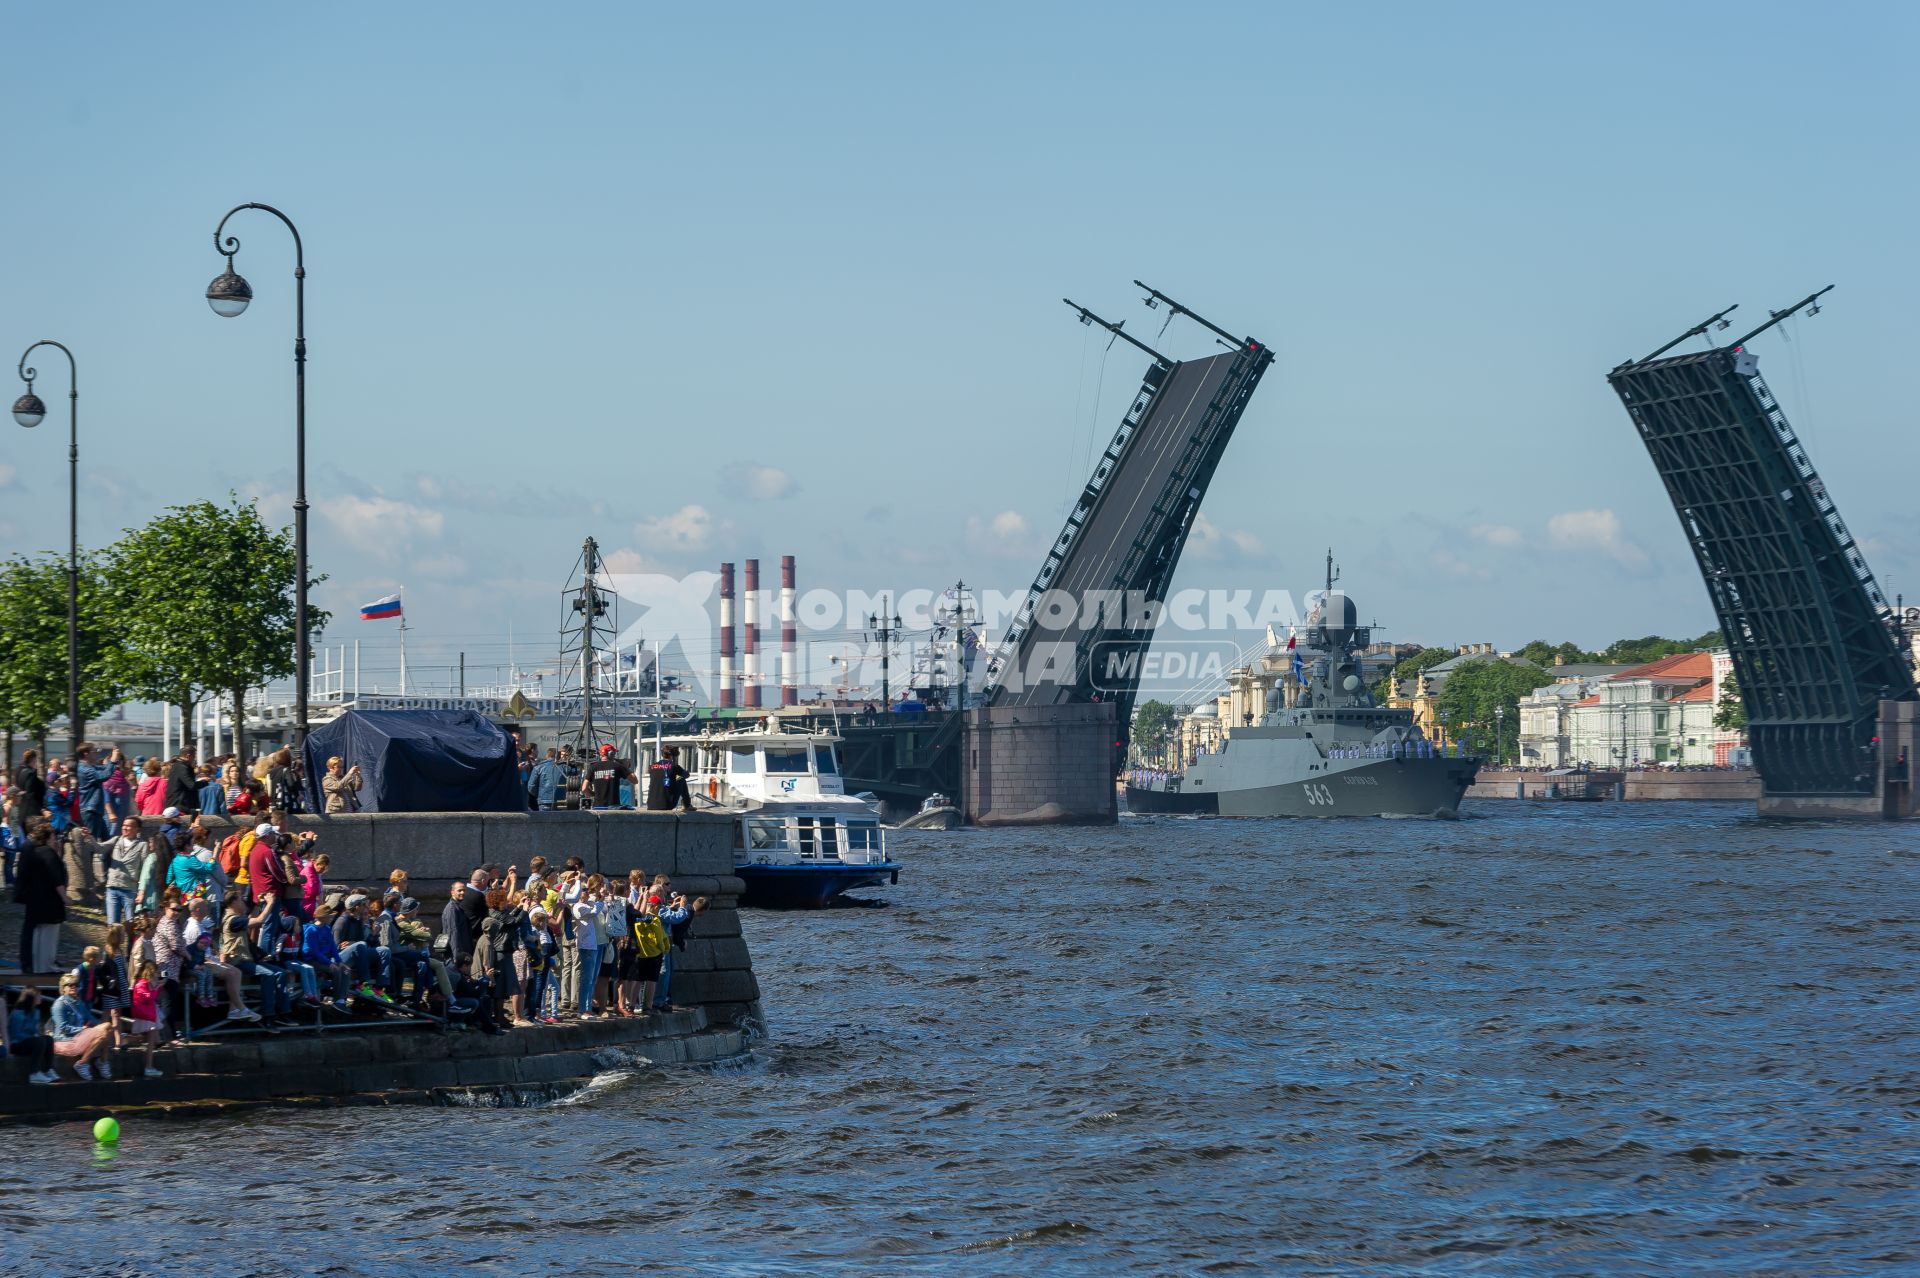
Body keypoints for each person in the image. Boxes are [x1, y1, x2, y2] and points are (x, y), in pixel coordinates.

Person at [15, 821, 67, 974]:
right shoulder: (48, 853)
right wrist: (65, 897)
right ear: (47, 838)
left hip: (35, 900)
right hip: (49, 902)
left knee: (38, 934)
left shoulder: (34, 851)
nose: (55, 840)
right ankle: (47, 966)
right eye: (53, 838)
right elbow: (57, 877)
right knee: (48, 935)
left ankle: (38, 966)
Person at [48, 972, 114, 1080]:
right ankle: (83, 1063)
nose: (74, 987)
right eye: (70, 985)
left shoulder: (78, 1003)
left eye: (76, 985)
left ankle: (102, 1062)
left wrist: (105, 1028)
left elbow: (91, 1018)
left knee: (107, 1026)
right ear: (63, 988)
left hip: (79, 1035)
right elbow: (63, 1028)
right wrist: (82, 1029)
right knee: (102, 1035)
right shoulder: (59, 1005)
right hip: (65, 1040)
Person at [4, 986, 57, 1084]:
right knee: (39, 1041)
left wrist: (36, 1035)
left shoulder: (36, 1011)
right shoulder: (18, 1012)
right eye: (39, 996)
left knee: (48, 1039)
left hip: (29, 1042)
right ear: (31, 997)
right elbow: (15, 1034)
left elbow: (34, 1031)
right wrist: (33, 1037)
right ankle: (34, 1074)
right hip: (16, 1044)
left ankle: (48, 1070)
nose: (41, 998)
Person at [101, 816, 146, 925]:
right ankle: (113, 943)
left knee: (130, 924)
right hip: (112, 887)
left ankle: (131, 942)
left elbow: (145, 869)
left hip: (129, 889)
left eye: (128, 826)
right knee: (112, 925)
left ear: (137, 829)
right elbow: (100, 848)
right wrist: (89, 838)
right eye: (123, 825)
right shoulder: (116, 840)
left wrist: (141, 891)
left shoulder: (142, 845)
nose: (124, 828)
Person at [124, 961, 166, 1078]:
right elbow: (149, 998)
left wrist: (158, 986)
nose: (158, 974)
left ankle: (125, 1039)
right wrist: (157, 986)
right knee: (151, 1041)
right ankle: (148, 1067)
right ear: (151, 972)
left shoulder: (146, 984)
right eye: (156, 972)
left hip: (149, 1014)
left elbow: (153, 996)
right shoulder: (141, 984)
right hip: (145, 1016)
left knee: (149, 1039)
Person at [73, 743, 113, 840]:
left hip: (95, 810)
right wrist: (113, 762)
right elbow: (104, 775)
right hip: (90, 811)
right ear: (86, 754)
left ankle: (107, 856)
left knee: (106, 842)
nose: (96, 753)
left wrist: (110, 762)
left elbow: (103, 768)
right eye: (94, 751)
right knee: (90, 844)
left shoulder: (90, 767)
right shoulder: (84, 769)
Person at [646, 746, 693, 812]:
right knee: (681, 780)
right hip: (667, 805)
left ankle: (687, 805)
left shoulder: (652, 766)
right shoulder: (674, 766)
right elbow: (686, 775)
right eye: (676, 756)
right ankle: (687, 805)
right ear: (672, 756)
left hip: (651, 805)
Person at [585, 744, 632, 810]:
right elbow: (635, 780)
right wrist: (625, 766)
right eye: (614, 753)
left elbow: (584, 788)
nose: (615, 754)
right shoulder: (618, 766)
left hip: (598, 807)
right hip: (614, 807)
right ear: (611, 753)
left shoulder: (593, 767)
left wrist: (593, 794)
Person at [11, 751, 47, 822]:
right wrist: (42, 810)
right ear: (33, 760)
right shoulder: (31, 773)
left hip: (20, 809)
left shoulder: (18, 770)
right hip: (31, 812)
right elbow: (30, 794)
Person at [164, 745, 199, 815]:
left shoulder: (176, 766)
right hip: (180, 806)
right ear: (188, 756)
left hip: (176, 804)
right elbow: (191, 785)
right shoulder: (182, 767)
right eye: (194, 756)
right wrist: (204, 782)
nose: (194, 759)